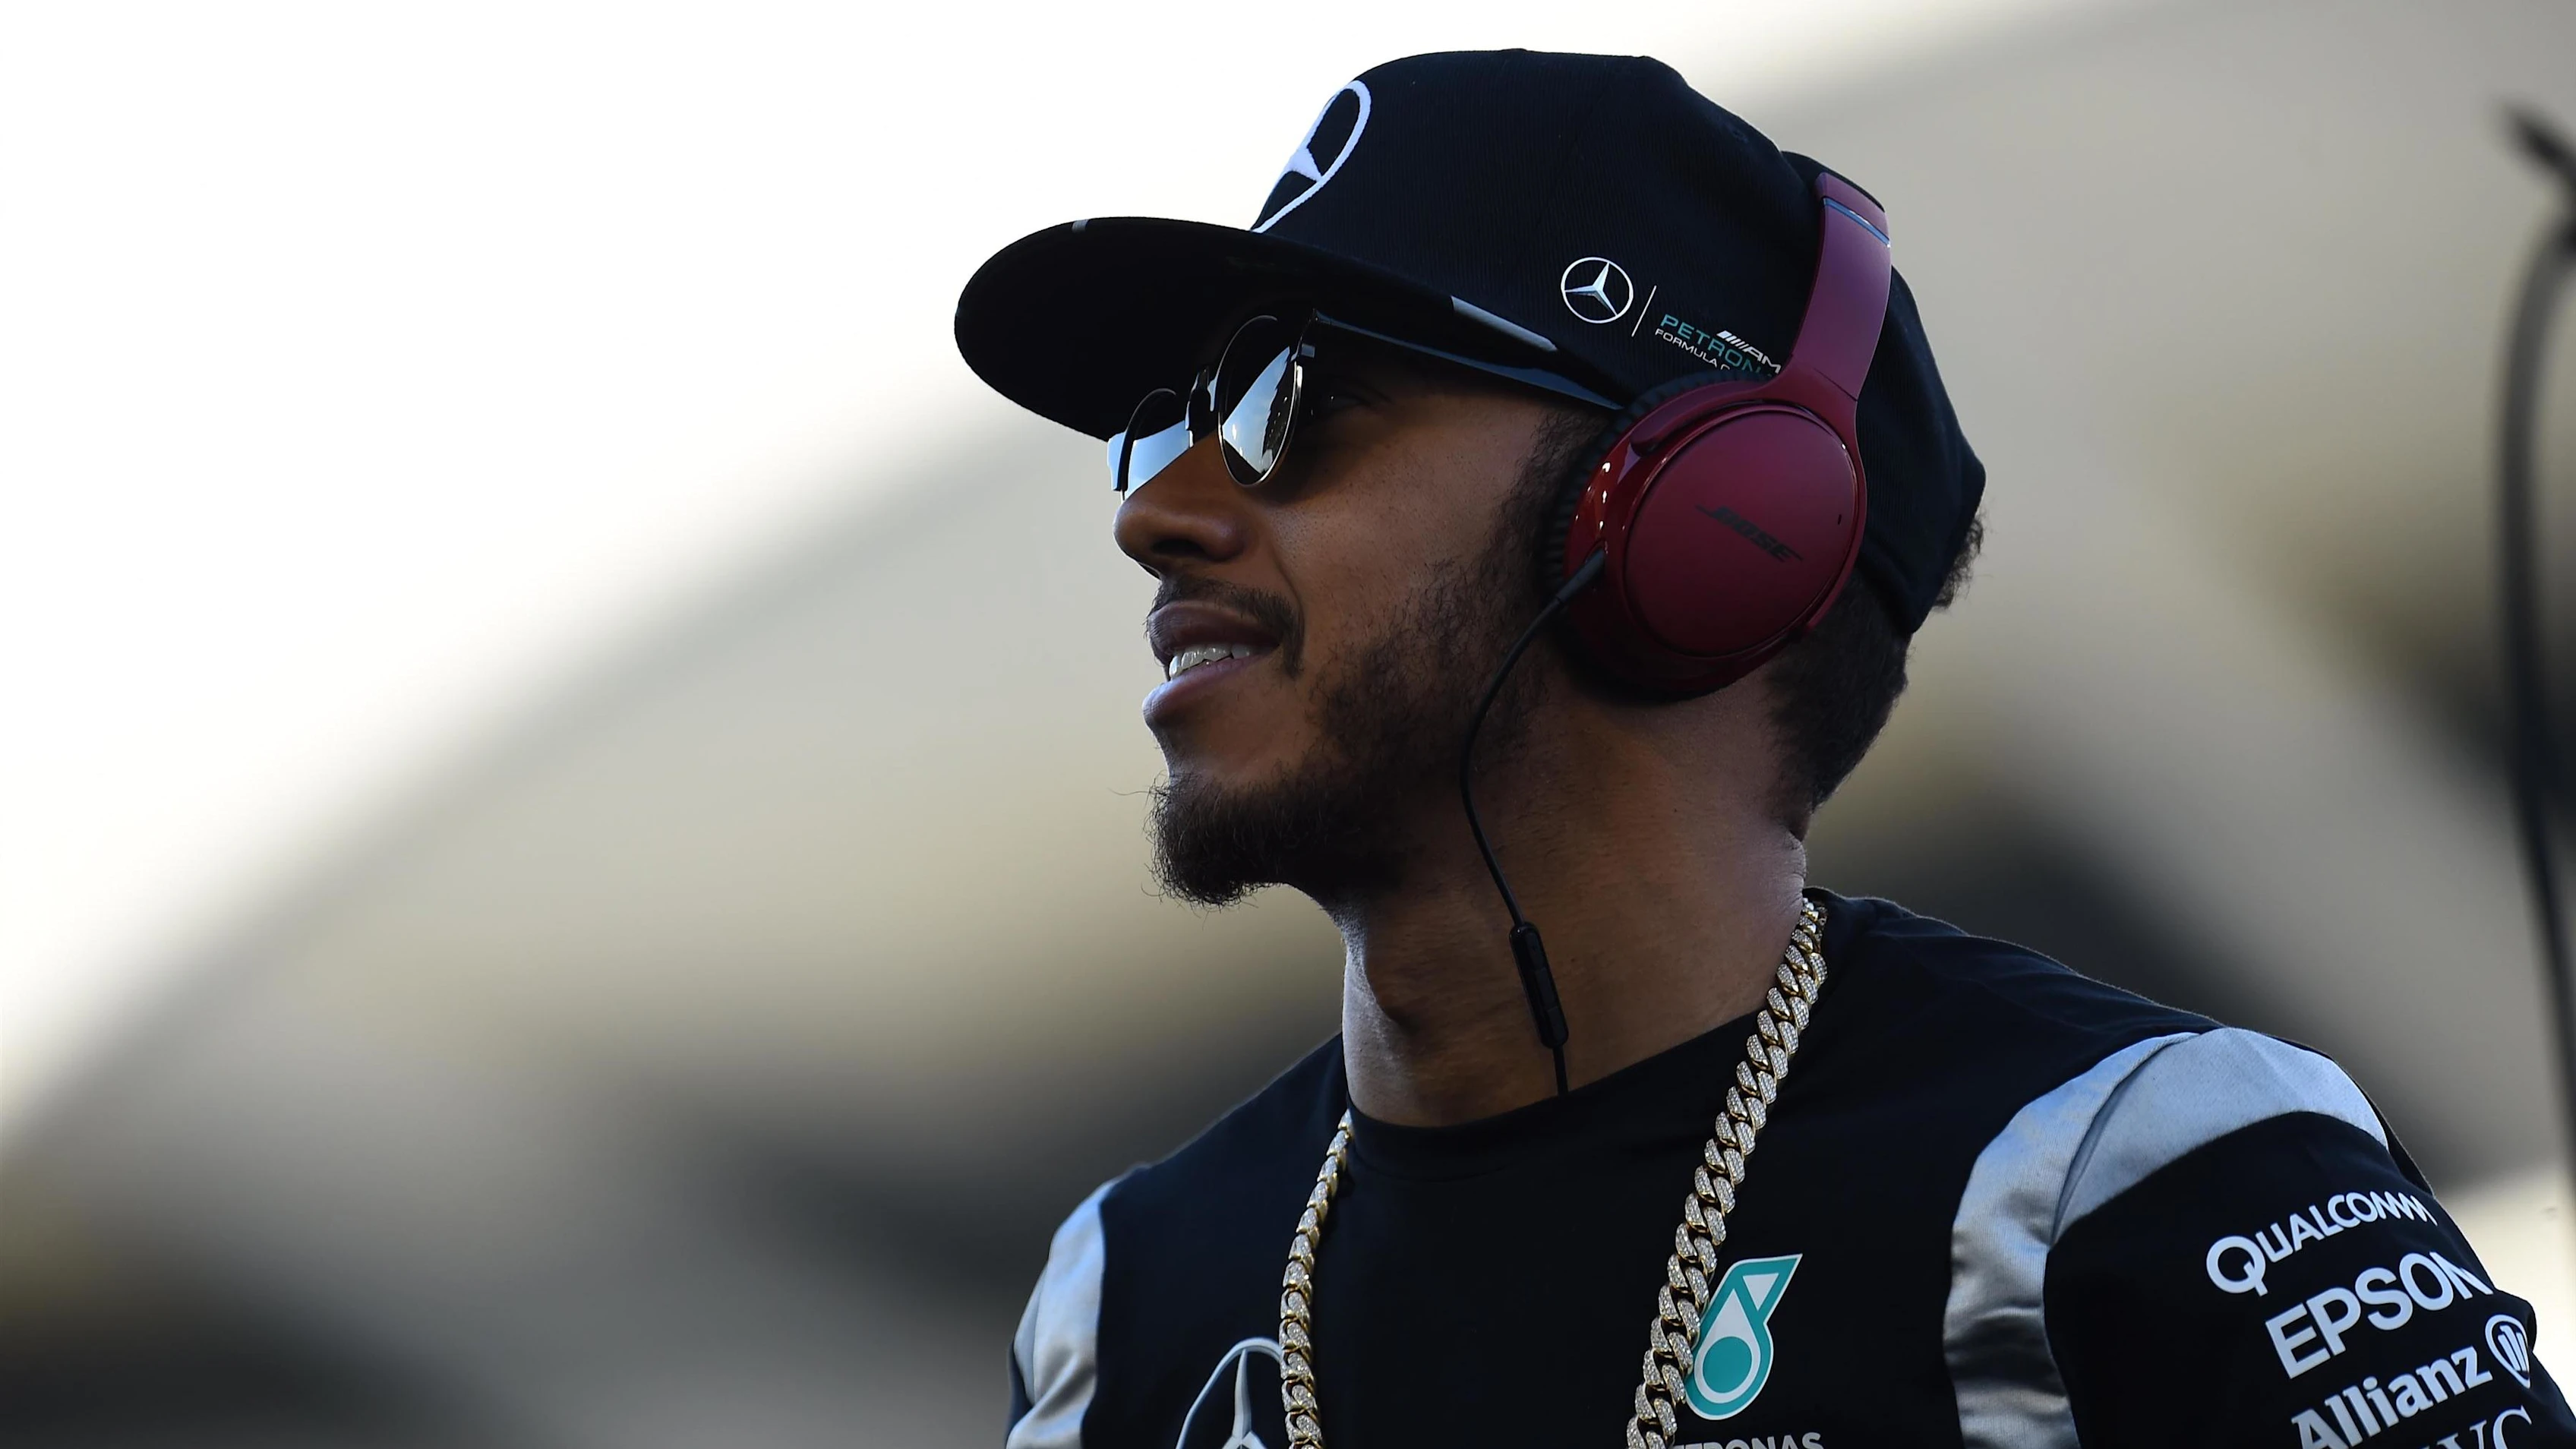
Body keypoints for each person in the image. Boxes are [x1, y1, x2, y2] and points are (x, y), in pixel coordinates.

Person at [955, 49, 2574, 1449]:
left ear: (1702, 520)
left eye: (1286, 399)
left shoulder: (2148, 1180)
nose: (1157, 517)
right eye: (1162, 427)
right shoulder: (1123, 1304)